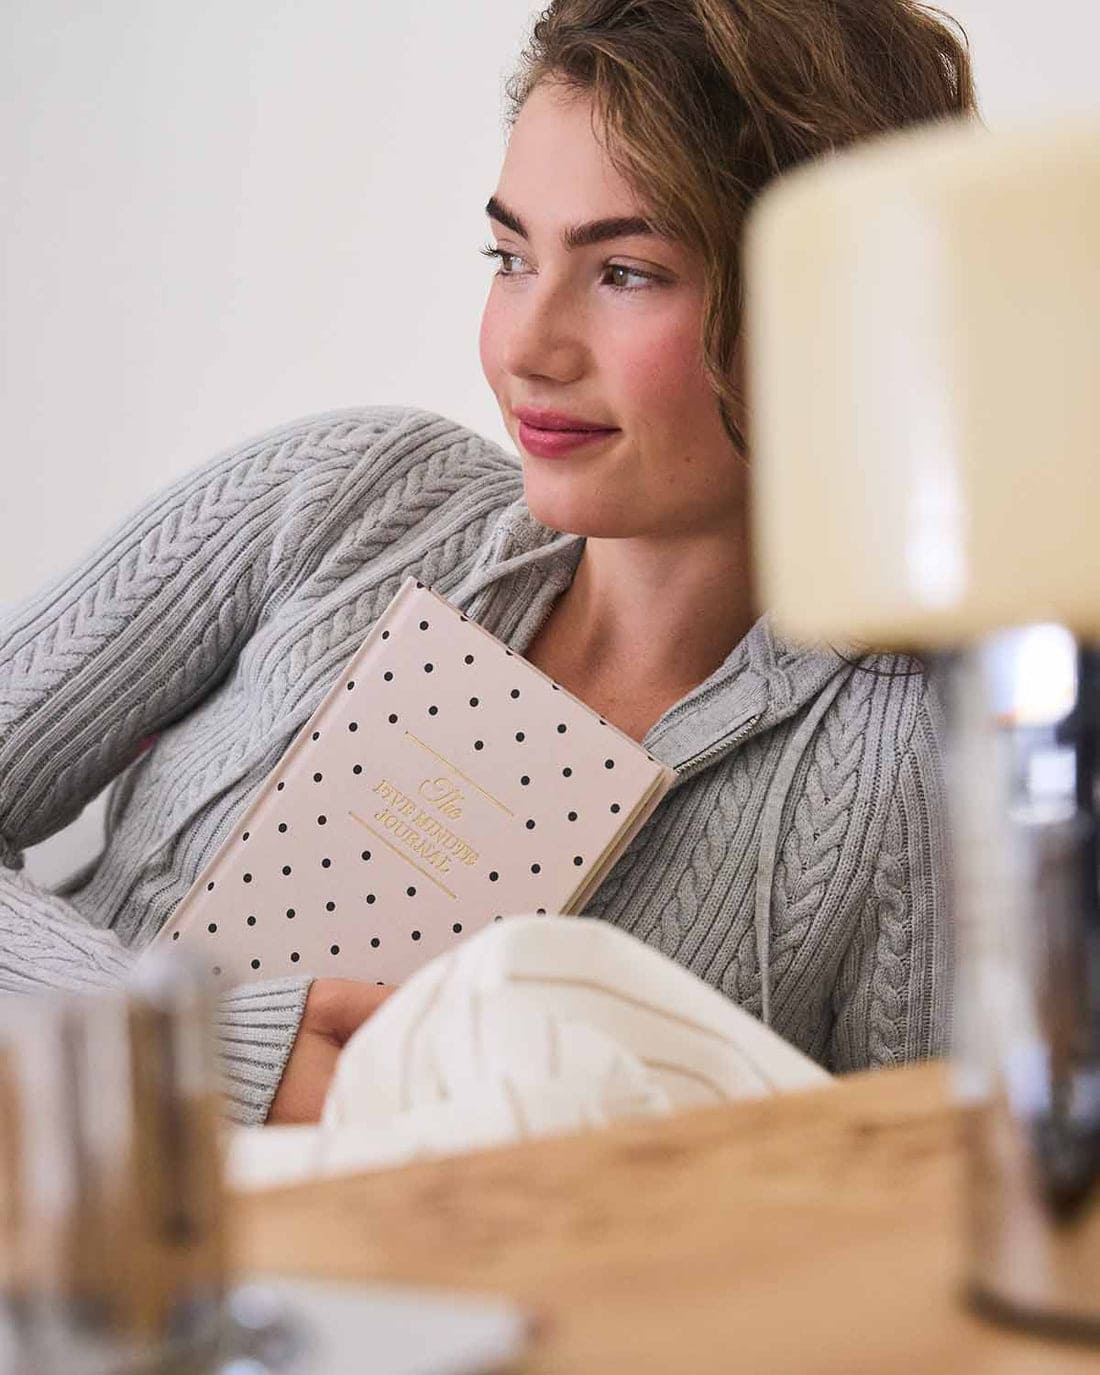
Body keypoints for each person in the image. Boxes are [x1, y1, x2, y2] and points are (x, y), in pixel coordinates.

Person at [0, 0, 977, 1125]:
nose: (525, 345)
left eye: (625, 272)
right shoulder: (346, 499)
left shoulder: (915, 761)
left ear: (834, 307)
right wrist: (203, 1050)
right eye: (509, 256)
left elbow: (918, 1224)